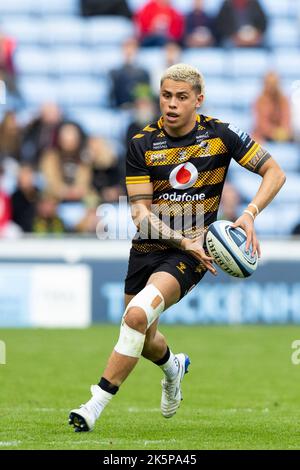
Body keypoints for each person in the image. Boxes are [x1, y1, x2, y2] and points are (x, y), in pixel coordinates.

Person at [69, 63, 286, 432]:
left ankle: (94, 404)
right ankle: (173, 367)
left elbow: (275, 172)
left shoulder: (221, 135)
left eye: (181, 97)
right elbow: (139, 213)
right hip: (149, 246)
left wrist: (249, 215)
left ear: (198, 100)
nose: (171, 104)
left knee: (137, 315)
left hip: (193, 253)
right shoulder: (142, 143)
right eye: (166, 95)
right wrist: (181, 236)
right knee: (144, 334)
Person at [252, 71, 293, 143]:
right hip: (263, 135)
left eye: (274, 83)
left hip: (282, 134)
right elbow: (261, 124)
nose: (271, 86)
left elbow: (286, 119)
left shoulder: (283, 100)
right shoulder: (260, 101)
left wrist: (283, 131)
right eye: (269, 83)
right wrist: (273, 133)